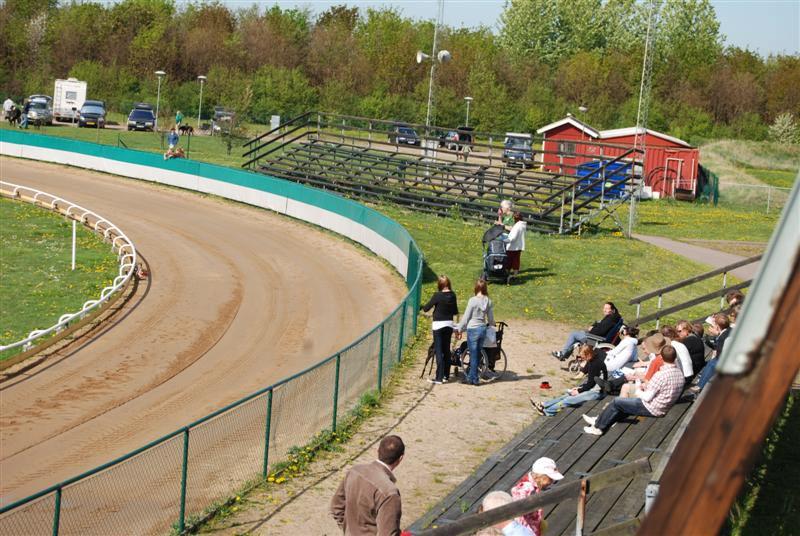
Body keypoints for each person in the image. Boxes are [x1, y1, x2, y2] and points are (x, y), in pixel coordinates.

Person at [583, 345, 684, 435]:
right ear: (674, 358)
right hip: (663, 406)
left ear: (661, 357)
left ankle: (598, 428)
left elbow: (647, 397)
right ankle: (600, 419)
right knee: (623, 400)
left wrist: (639, 390)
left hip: (653, 408)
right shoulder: (680, 374)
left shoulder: (661, 375)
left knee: (617, 402)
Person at [331, 435, 405, 536]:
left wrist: (349, 530)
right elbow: (388, 533)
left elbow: (336, 506)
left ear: (377, 450)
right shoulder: (390, 493)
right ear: (400, 458)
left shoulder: (354, 471)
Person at [532, 344, 607, 417]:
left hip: (596, 393)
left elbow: (591, 384)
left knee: (568, 400)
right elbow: (590, 382)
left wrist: (579, 390)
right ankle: (544, 405)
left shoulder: (595, 364)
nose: (581, 358)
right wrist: (578, 388)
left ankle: (547, 412)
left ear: (588, 354)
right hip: (592, 389)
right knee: (568, 394)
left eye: (582, 356)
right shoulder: (592, 360)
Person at [420, 275, 459, 384]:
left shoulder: (438, 295)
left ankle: (439, 378)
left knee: (439, 350)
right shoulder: (453, 295)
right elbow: (455, 311)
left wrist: (423, 308)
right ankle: (446, 375)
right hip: (449, 325)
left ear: (440, 285)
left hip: (438, 326)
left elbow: (427, 308)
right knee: (446, 350)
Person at [455, 279, 494, 386]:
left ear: (476, 288)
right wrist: (492, 325)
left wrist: (459, 328)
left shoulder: (472, 300)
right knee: (477, 354)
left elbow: (466, 317)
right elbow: (491, 320)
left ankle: (473, 379)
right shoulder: (488, 301)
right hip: (482, 329)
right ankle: (472, 378)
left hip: (473, 329)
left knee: (473, 354)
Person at [510, 457, 564, 535]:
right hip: (526, 529)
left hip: (532, 526)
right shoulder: (527, 488)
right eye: (550, 479)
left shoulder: (533, 484)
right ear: (540, 476)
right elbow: (519, 507)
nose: (552, 482)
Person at [552, 302, 621, 360]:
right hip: (596, 337)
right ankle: (564, 354)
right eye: (604, 308)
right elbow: (599, 324)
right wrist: (594, 326)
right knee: (580, 333)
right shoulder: (613, 318)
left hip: (595, 340)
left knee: (574, 334)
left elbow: (601, 331)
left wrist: (591, 329)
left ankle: (563, 354)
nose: (604, 310)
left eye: (606, 308)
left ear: (612, 310)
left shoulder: (609, 320)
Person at [695, 313, 732, 391]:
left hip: (724, 361)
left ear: (718, 327)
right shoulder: (729, 330)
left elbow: (720, 353)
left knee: (712, 363)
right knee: (712, 362)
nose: (710, 327)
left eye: (712, 326)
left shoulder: (722, 338)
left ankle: (699, 386)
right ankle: (700, 383)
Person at [503, 212, 526, 278]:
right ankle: (515, 275)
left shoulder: (517, 226)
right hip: (518, 246)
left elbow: (513, 238)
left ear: (515, 219)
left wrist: (504, 241)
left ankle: (508, 274)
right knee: (516, 261)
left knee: (509, 260)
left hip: (513, 247)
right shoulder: (522, 225)